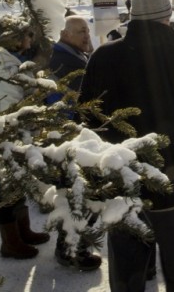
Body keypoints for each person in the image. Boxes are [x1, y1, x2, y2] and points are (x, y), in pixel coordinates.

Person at [79, 0, 174, 292]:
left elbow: (87, 126)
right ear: (166, 18)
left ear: (131, 17)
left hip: (122, 187)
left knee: (128, 277)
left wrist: (94, 181)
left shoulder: (102, 58)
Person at [0, 18, 51, 259]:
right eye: (26, 35)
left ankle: (23, 230)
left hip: (20, 132)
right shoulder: (5, 67)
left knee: (18, 183)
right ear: (14, 38)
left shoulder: (12, 62)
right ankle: (10, 242)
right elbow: (15, 105)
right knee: (8, 188)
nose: (30, 39)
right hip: (11, 133)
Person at [44, 15, 102, 271]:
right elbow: (72, 101)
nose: (86, 35)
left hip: (71, 133)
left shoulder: (72, 55)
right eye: (80, 31)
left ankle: (70, 247)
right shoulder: (64, 60)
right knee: (77, 194)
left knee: (75, 193)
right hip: (71, 136)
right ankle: (71, 251)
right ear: (65, 34)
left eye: (87, 30)